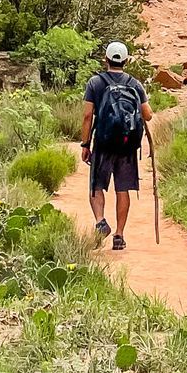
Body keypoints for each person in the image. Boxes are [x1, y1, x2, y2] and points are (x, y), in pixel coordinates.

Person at [80, 41, 152, 251]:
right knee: (123, 190)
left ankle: (101, 220)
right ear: (126, 61)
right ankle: (119, 235)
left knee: (97, 185)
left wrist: (85, 144)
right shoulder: (135, 84)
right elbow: (147, 114)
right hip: (127, 146)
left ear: (106, 59)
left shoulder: (95, 82)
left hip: (103, 143)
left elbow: (87, 116)